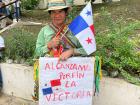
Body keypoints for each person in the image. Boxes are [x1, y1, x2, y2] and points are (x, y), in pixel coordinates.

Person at [33, 0, 88, 101]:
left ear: (66, 12)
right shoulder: (44, 31)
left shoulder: (75, 29)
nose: (57, 15)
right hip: (50, 76)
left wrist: (72, 51)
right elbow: (37, 52)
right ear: (50, 14)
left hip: (72, 76)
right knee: (50, 99)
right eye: (53, 12)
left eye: (60, 11)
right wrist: (48, 46)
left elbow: (88, 49)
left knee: (71, 100)